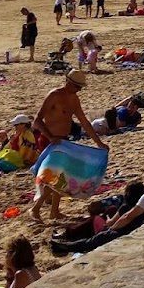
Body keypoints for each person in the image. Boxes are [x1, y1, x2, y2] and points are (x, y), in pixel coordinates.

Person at [28, 71, 108, 223]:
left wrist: (98, 142)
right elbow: (37, 120)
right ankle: (35, 209)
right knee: (52, 177)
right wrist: (50, 137)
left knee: (62, 176)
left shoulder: (74, 99)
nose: (78, 90)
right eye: (77, 86)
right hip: (49, 140)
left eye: (80, 87)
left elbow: (84, 122)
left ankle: (54, 211)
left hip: (63, 141)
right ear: (68, 82)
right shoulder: (54, 95)